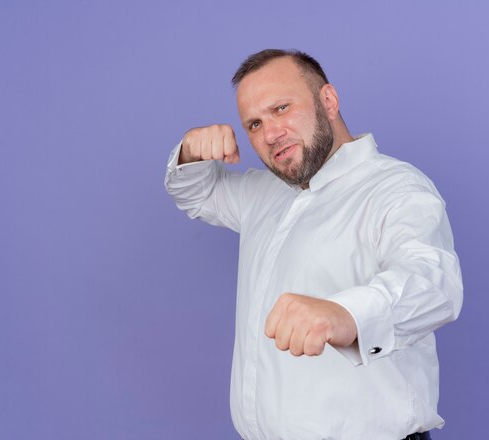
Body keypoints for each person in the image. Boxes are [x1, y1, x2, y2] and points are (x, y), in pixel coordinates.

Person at [164, 49, 463, 440]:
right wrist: (191, 152)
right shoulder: (265, 194)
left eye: (282, 108)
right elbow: (197, 193)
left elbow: (434, 284)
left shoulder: (396, 188)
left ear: (329, 101)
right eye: (254, 124)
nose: (270, 134)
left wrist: (345, 314)